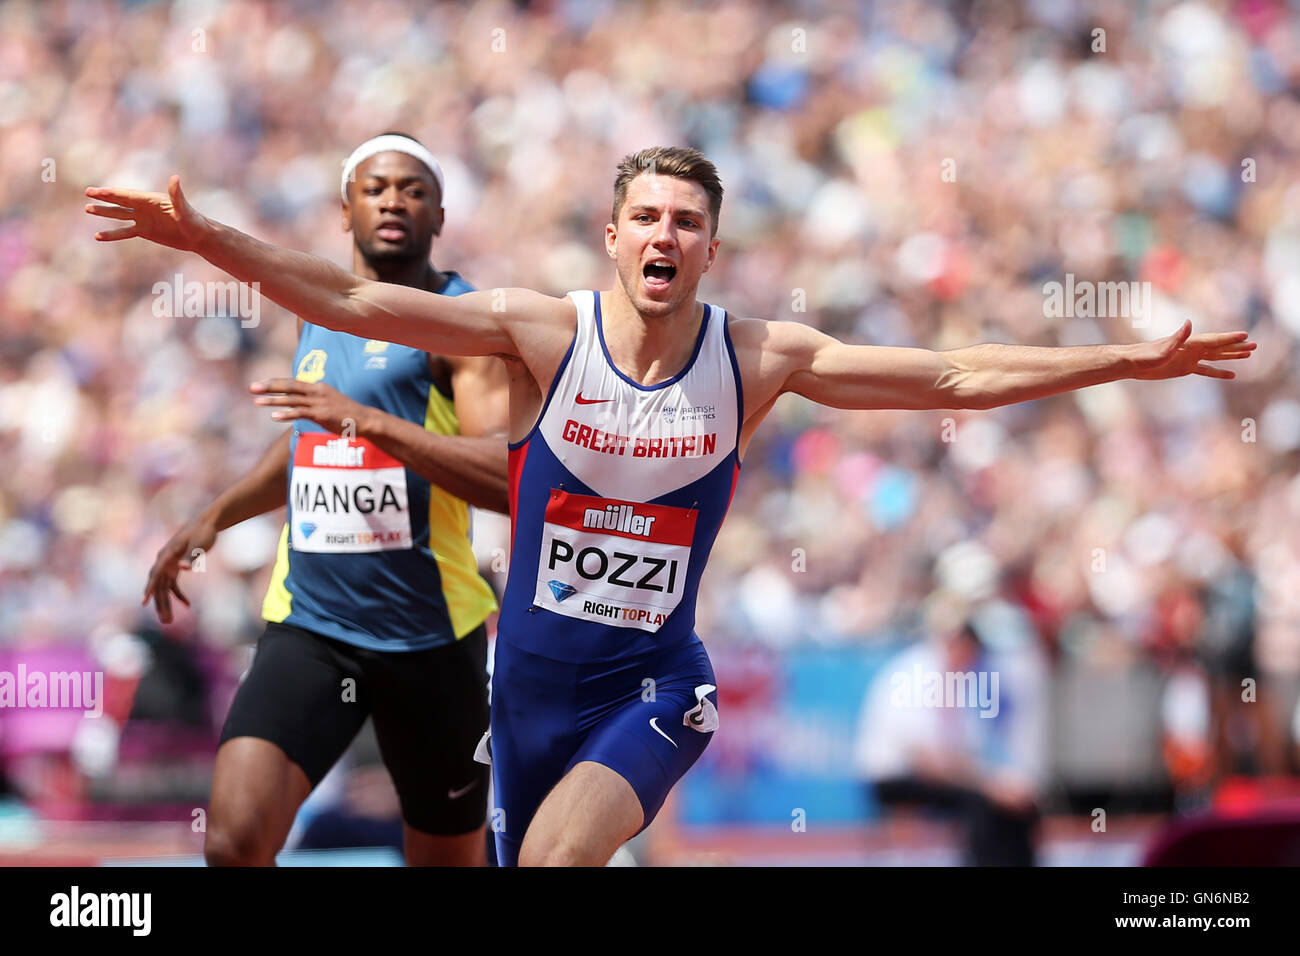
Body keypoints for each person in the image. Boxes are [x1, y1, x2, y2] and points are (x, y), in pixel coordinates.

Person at [87, 144, 1257, 866]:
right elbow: (352, 301)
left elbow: (951, 375)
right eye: (645, 217)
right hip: (527, 682)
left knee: (554, 863)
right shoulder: (546, 328)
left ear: (708, 251)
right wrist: (206, 239)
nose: (664, 235)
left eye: (685, 222)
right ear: (612, 238)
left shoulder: (758, 358)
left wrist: (1117, 363)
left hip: (653, 681)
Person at [137, 133, 509, 866]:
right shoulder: (319, 311)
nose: (394, 201)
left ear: (440, 214)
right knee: (236, 843)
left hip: (431, 638)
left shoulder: (462, 325)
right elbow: (314, 436)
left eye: (413, 188)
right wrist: (215, 516)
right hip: (313, 626)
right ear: (346, 212)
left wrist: (368, 420)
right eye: (375, 188)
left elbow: (505, 471)